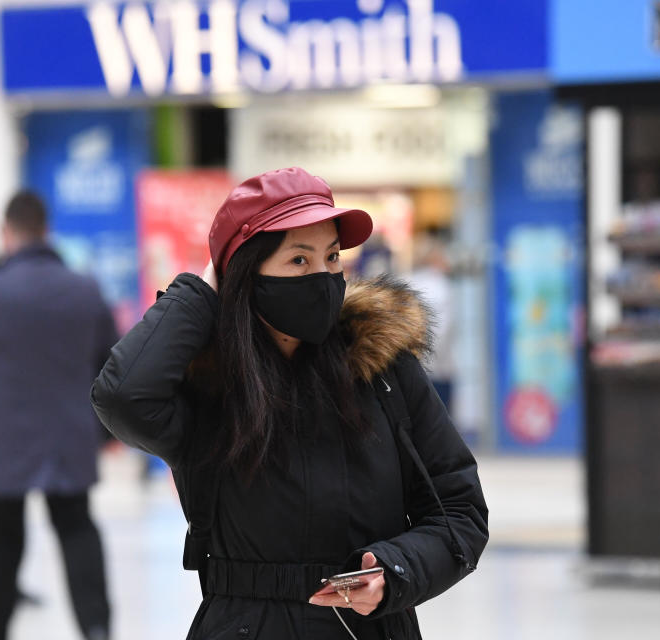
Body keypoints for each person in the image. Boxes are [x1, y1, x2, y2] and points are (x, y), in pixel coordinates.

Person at [92, 167, 488, 639]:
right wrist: (200, 293)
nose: (322, 277)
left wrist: (395, 570)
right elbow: (121, 397)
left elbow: (459, 512)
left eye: (332, 257)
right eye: (299, 261)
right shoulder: (210, 384)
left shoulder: (382, 370)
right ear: (244, 277)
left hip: (368, 629)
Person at [0, 190, 116, 640]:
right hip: (68, 432)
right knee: (76, 527)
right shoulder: (84, 288)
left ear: (6, 232)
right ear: (45, 229)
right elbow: (112, 358)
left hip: (1, 437)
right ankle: (95, 628)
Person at [406, 233, 455, 411]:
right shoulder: (441, 286)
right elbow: (442, 330)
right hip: (438, 370)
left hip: (412, 369)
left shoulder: (408, 282)